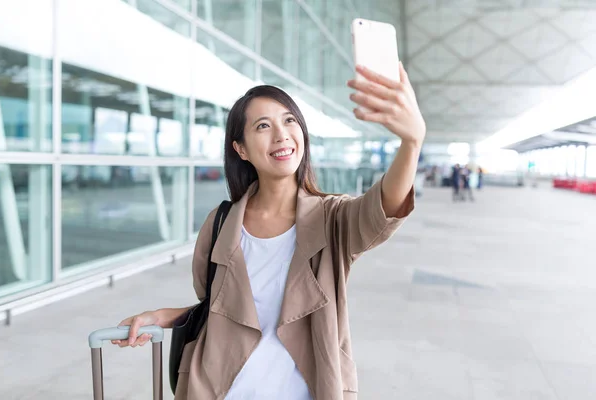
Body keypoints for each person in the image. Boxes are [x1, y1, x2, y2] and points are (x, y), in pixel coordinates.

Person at [111, 62, 425, 399]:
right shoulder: (221, 222)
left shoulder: (333, 219)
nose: (281, 135)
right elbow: (219, 311)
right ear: (241, 149)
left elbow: (385, 206)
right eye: (263, 125)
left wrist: (411, 142)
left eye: (289, 120)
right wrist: (162, 316)